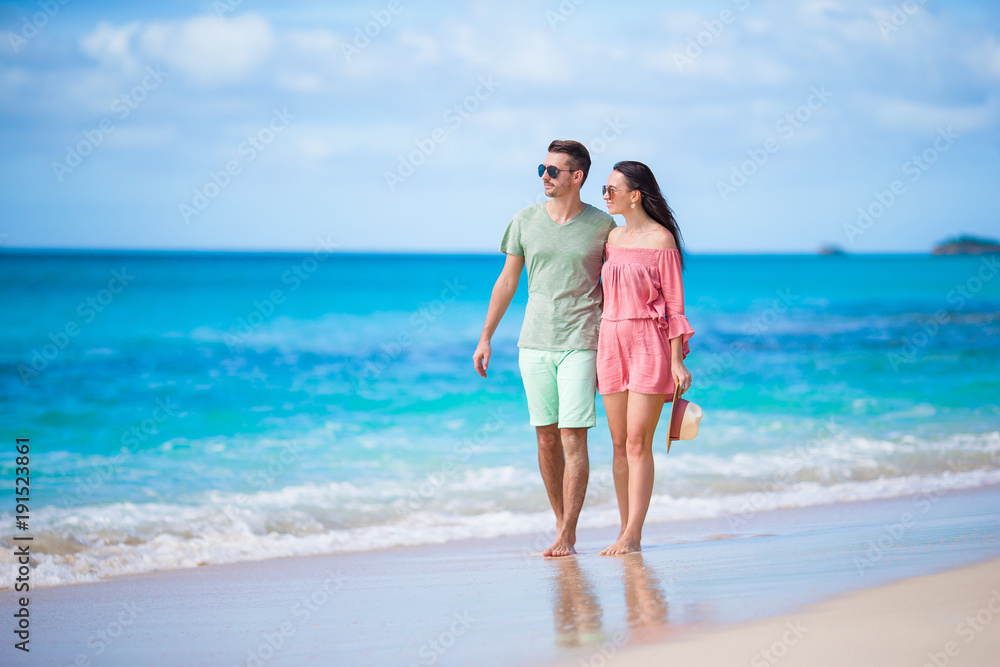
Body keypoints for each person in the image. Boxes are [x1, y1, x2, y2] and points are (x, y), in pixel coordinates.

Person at [473, 140, 616, 557]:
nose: (544, 177)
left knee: (573, 436)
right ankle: (561, 522)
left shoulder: (603, 226)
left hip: (582, 341)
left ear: (577, 177)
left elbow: (624, 279)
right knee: (547, 440)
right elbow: (507, 281)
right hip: (533, 342)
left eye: (554, 170)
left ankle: (568, 534)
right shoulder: (524, 221)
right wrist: (486, 337)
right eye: (542, 168)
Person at [596, 160, 694, 556]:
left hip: (648, 344)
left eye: (612, 189)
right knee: (619, 445)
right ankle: (624, 529)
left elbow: (674, 305)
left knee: (638, 442)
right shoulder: (612, 238)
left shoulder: (662, 241)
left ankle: (634, 534)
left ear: (634, 195)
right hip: (610, 341)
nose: (605, 194)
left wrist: (677, 360)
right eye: (604, 188)